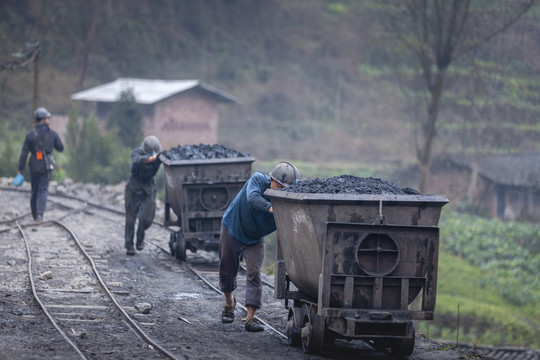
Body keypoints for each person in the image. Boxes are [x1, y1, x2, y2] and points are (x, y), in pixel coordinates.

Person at [219, 161, 299, 332]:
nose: (282, 190)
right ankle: (229, 303)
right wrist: (273, 208)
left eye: (286, 188)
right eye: (280, 185)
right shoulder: (257, 180)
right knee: (227, 269)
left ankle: (250, 318)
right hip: (233, 228)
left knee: (254, 273)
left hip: (255, 239)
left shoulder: (288, 202)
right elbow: (253, 199)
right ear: (271, 179)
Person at [17, 107, 64, 224]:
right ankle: (40, 215)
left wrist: (20, 170)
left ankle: (34, 214)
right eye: (47, 118)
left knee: (34, 189)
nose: (48, 120)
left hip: (34, 164)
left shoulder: (30, 134)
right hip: (46, 165)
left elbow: (24, 152)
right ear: (43, 120)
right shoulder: (52, 134)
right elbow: (60, 148)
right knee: (43, 189)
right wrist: (55, 138)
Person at [124, 135, 162, 256]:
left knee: (146, 218)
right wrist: (149, 159)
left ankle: (140, 239)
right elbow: (136, 159)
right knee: (130, 217)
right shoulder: (137, 152)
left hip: (148, 188)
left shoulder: (159, 156)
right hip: (133, 187)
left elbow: (168, 159)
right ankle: (129, 245)